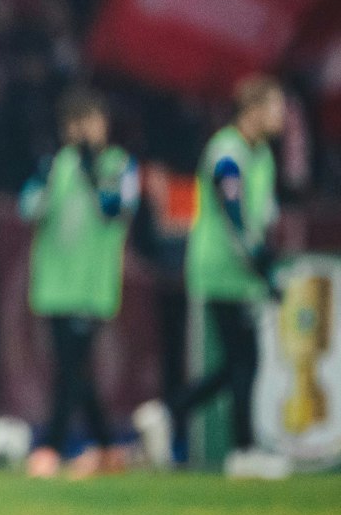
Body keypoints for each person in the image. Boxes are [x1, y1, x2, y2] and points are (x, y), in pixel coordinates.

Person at [135, 76, 288, 479]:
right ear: (252, 111)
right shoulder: (227, 152)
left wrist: (263, 262)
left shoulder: (263, 155)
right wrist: (257, 260)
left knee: (240, 362)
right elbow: (231, 210)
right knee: (244, 360)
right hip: (222, 268)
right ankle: (243, 451)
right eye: (275, 107)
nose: (282, 116)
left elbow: (262, 214)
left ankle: (168, 413)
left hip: (242, 271)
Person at [17, 89, 139, 480]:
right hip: (54, 284)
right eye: (76, 125)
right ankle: (106, 448)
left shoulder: (121, 166)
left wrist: (92, 176)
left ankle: (51, 446)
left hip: (92, 285)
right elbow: (28, 208)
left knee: (71, 368)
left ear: (104, 125)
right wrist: (44, 179)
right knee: (76, 369)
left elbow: (117, 211)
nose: (84, 132)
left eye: (91, 122)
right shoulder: (56, 165)